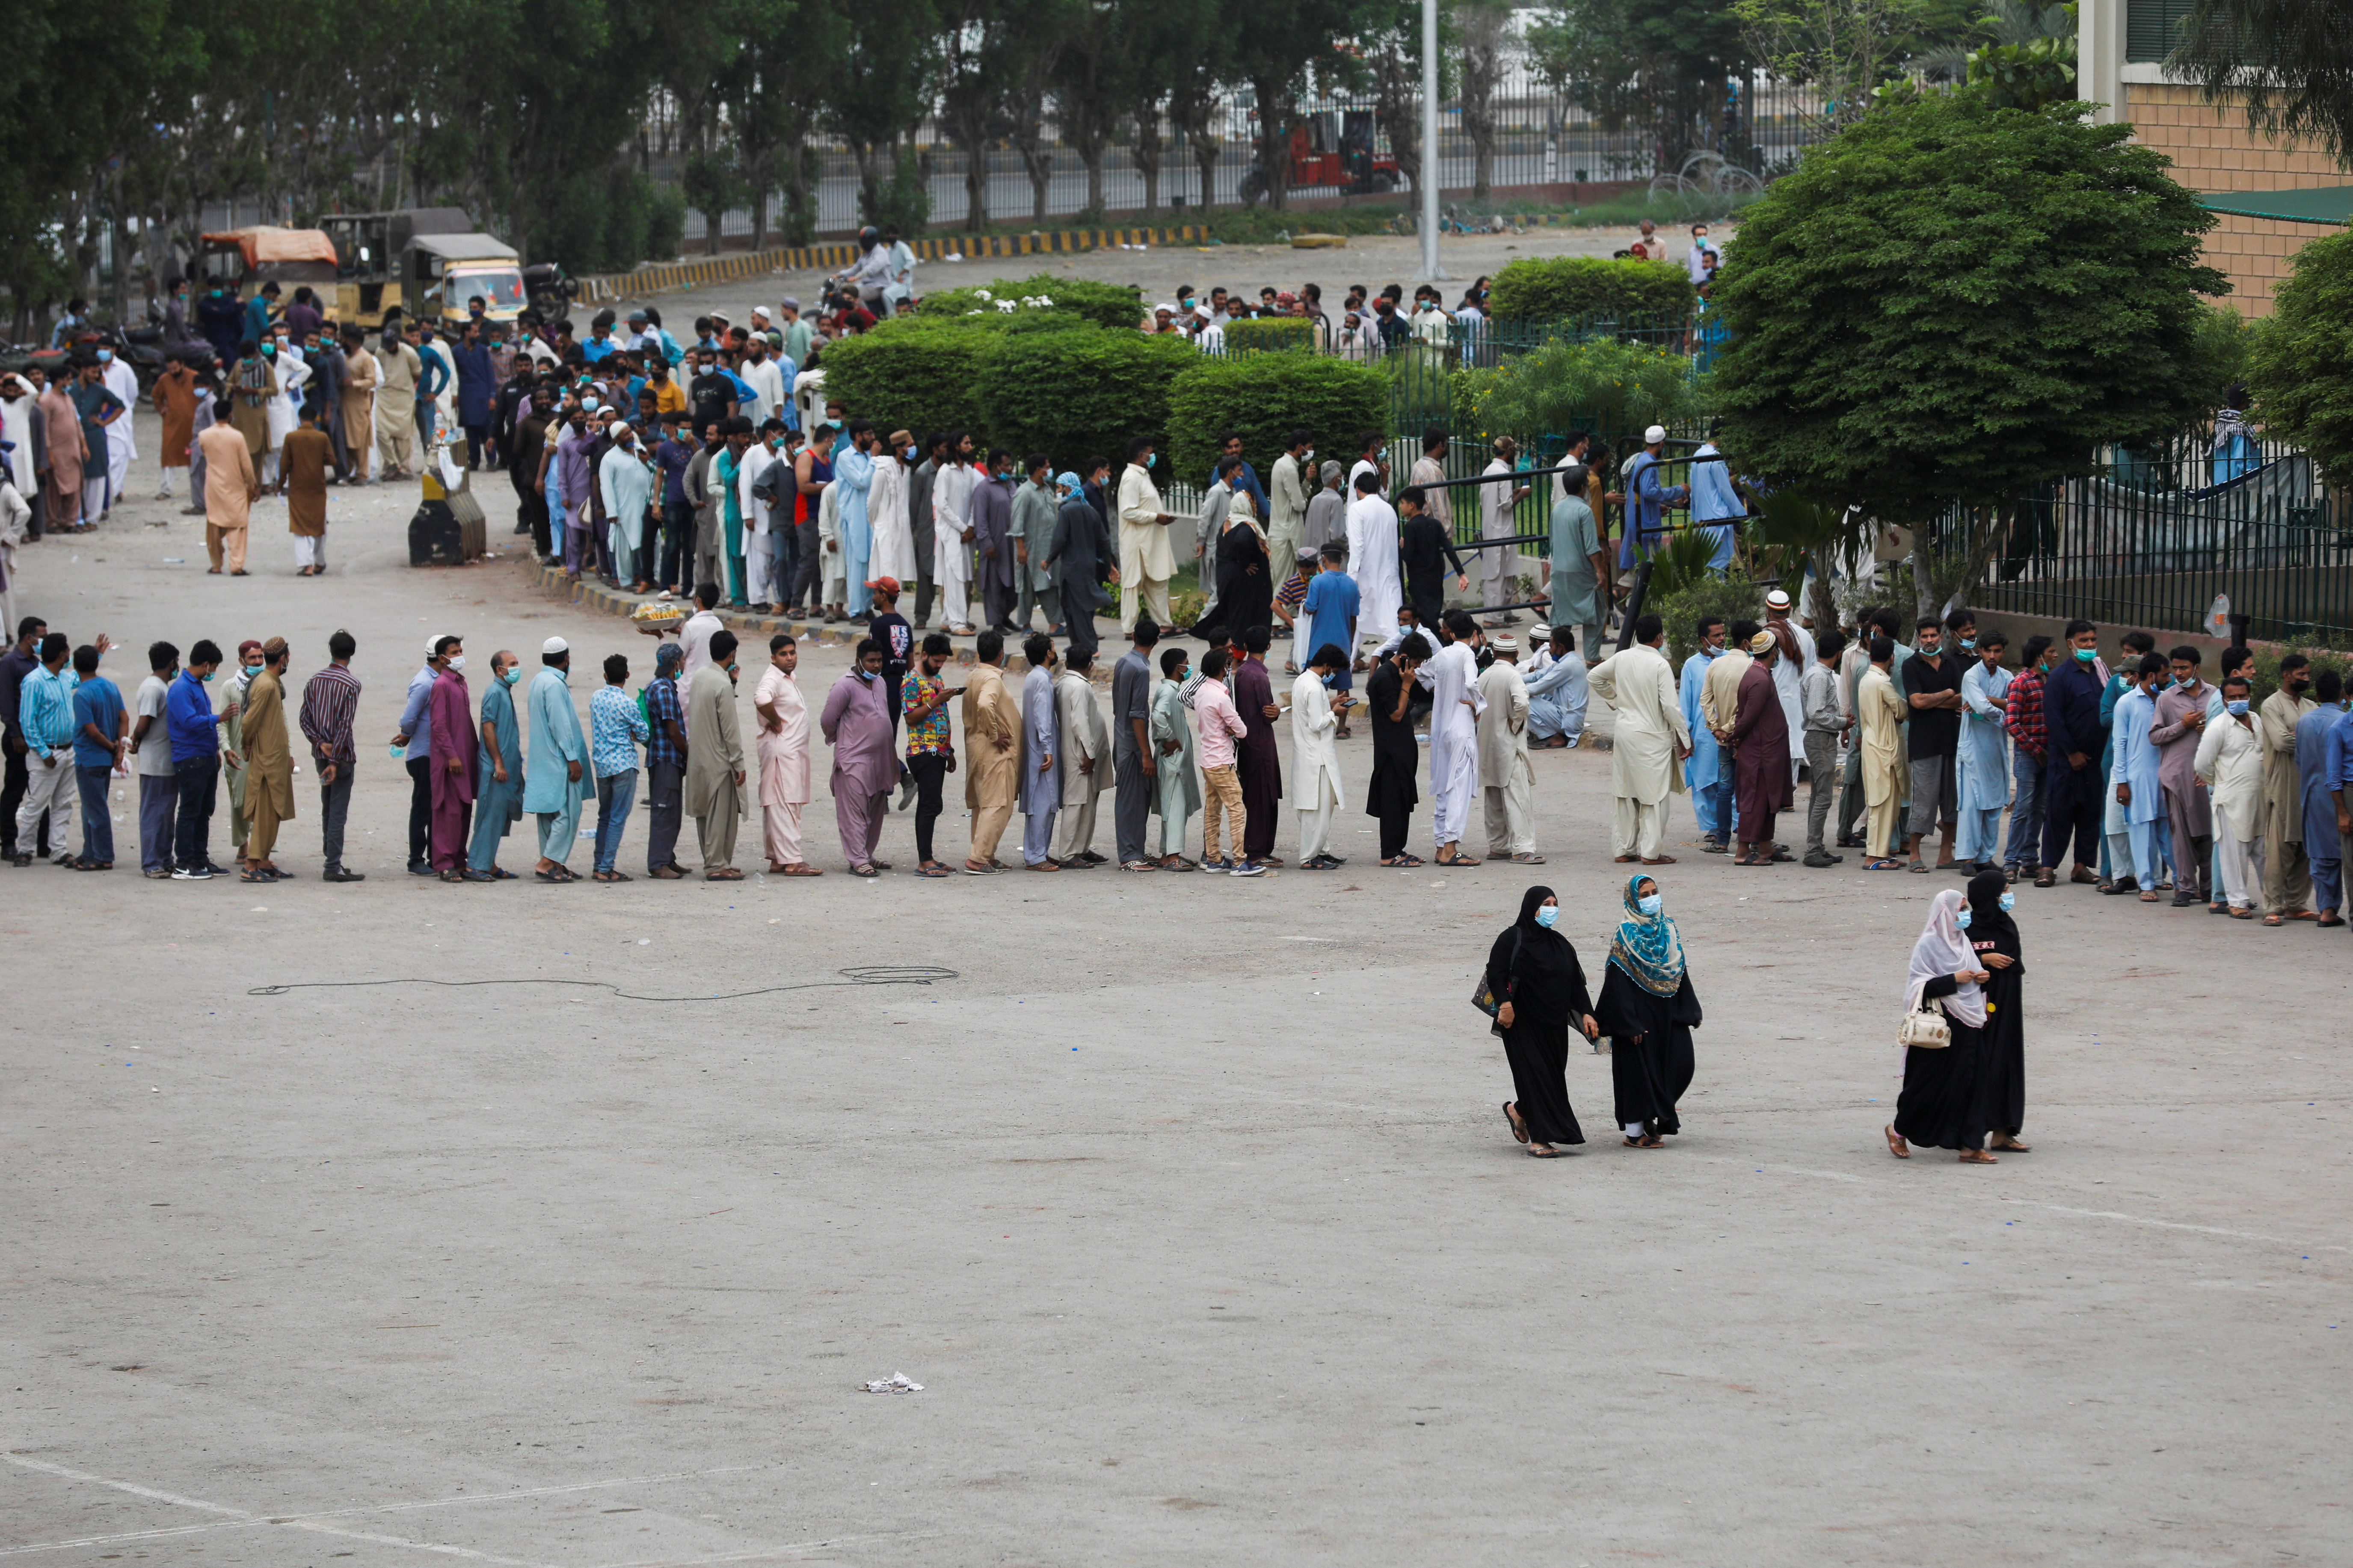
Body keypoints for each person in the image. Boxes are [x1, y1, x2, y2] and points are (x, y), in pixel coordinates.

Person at [1884, 886, 1998, 1163]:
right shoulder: (1929, 944)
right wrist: (1954, 979)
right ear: (1945, 913)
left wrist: (1979, 980)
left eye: (1966, 909)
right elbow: (1916, 988)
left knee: (1973, 1083)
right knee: (1929, 1085)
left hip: (1969, 1024)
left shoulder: (1964, 943)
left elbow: (1971, 978)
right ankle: (1898, 1131)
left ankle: (1971, 1146)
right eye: (1960, 910)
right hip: (1940, 1026)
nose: (1965, 915)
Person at [1491, 886, 1598, 1158]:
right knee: (1534, 1076)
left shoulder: (1560, 944)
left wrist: (1587, 1012)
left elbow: (1576, 983)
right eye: (1546, 904)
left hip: (1553, 1024)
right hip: (1520, 1023)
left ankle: (1518, 1111)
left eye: (1555, 903)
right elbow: (1496, 973)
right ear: (1531, 908)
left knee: (1550, 1078)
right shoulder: (1511, 938)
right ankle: (1540, 1139)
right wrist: (1505, 1005)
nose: (1551, 909)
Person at [1594, 875, 1701, 1148]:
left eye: (1654, 892)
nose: (1652, 898)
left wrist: (1690, 1008)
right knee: (1637, 1074)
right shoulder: (1626, 934)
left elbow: (1679, 969)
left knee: (1681, 1066)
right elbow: (1617, 983)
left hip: (1669, 1010)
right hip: (1638, 1015)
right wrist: (1627, 1024)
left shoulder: (1669, 929)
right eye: (1644, 895)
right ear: (1632, 900)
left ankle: (1654, 1115)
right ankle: (1634, 1131)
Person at [1585, 614, 1691, 865]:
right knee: (1654, 796)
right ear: (1659, 637)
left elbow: (1594, 677)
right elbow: (1670, 707)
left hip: (1625, 732)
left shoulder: (1623, 657)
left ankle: (1623, 849)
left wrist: (1617, 700)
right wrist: (1685, 738)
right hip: (1652, 737)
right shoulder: (1660, 665)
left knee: (1625, 792)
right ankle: (1651, 853)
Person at [2037, 620, 2107, 888]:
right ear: (2070, 644)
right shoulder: (2060, 677)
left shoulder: (2100, 672)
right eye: (2084, 641)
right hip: (2066, 761)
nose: (2090, 645)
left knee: (2090, 813)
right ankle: (2048, 867)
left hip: (2095, 759)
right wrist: (2072, 752)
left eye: (2092, 640)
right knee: (2058, 812)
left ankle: (2082, 867)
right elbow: (2055, 720)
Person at [821, 638, 897, 876]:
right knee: (854, 813)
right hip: (853, 759)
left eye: (879, 661)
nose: (876, 666)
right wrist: (846, 739)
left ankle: (867, 855)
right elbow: (827, 720)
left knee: (874, 812)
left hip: (880, 760)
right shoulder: (844, 686)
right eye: (871, 661)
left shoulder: (881, 682)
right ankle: (857, 859)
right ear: (859, 661)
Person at [2149, 646, 2216, 908]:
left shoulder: (2215, 695)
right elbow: (2154, 736)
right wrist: (2183, 726)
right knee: (2182, 836)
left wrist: (2208, 727)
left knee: (2209, 834)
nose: (2179, 673)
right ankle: (2186, 887)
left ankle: (2212, 889)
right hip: (2177, 777)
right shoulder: (2166, 699)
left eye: (2184, 668)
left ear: (2196, 668)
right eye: (2175, 668)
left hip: (2210, 777)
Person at [1417, 611, 1485, 866]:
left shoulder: (1443, 654)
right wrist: (1477, 704)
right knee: (1459, 787)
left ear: (1452, 633)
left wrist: (1439, 690)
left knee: (1444, 785)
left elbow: (1422, 672)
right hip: (1461, 728)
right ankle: (1449, 848)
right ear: (1473, 634)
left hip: (1441, 728)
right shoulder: (1466, 654)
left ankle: (1440, 845)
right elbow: (1471, 682)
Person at [2196, 672, 2266, 918]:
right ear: (2224, 700)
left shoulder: (2257, 720)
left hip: (2260, 800)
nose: (2238, 700)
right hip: (2231, 800)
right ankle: (2237, 902)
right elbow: (2202, 764)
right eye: (2232, 697)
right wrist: (2222, 783)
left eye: (2242, 696)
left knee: (2264, 853)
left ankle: (2274, 902)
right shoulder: (2219, 727)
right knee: (2233, 854)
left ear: (2249, 696)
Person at [167, 639, 237, 879]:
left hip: (205, 757)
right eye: (215, 667)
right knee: (189, 811)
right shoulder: (181, 689)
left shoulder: (195, 685)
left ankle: (200, 858)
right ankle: (184, 862)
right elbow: (188, 722)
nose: (214, 672)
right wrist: (219, 718)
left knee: (204, 811)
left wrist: (215, 750)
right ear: (206, 664)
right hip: (190, 758)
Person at [524, 636, 591, 883]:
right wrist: (572, 759)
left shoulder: (538, 681)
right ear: (566, 659)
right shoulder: (554, 685)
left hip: (542, 759)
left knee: (549, 814)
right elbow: (560, 725)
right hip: (558, 759)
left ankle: (556, 864)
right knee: (568, 812)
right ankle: (546, 863)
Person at [1899, 616, 1962, 872]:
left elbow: (1961, 699)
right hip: (1924, 746)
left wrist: (1935, 699)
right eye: (1924, 637)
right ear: (1918, 638)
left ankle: (1945, 855)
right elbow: (1917, 703)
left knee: (1951, 802)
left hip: (1952, 742)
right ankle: (1915, 855)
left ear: (1941, 636)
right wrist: (1946, 694)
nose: (1929, 641)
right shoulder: (1911, 666)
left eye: (1933, 636)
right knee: (1923, 803)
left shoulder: (1951, 663)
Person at [752, 634, 818, 876]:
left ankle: (778, 859)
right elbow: (761, 699)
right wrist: (776, 721)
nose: (789, 658)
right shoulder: (773, 678)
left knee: (778, 803)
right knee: (786, 804)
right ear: (773, 658)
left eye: (792, 653)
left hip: (790, 751)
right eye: (783, 654)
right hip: (783, 750)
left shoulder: (787, 678)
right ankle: (793, 861)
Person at [2259, 653, 2317, 924]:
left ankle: (2296, 903)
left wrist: (2299, 737)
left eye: (2307, 674)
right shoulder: (2271, 705)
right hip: (2282, 784)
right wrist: (2308, 739)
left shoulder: (2311, 706)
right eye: (2301, 674)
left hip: (2309, 784)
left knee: (2306, 845)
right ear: (2287, 675)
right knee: (2280, 847)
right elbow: (2282, 743)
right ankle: (2273, 906)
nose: (2306, 679)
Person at [1726, 628, 1793, 865]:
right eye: (1777, 649)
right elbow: (1748, 718)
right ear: (1773, 651)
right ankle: (1743, 852)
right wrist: (1734, 737)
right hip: (1760, 752)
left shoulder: (1759, 674)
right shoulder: (1759, 679)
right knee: (1754, 801)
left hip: (1767, 750)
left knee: (1767, 800)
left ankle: (1764, 847)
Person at [2110, 653, 2168, 903]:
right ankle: (2146, 883)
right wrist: (2122, 782)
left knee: (2166, 832)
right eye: (2166, 675)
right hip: (2137, 776)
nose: (2171, 679)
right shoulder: (2127, 703)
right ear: (2152, 676)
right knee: (2141, 831)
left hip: (2165, 776)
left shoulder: (2167, 700)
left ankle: (2172, 880)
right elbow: (2119, 744)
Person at [961, 628, 1020, 873]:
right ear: (1001, 653)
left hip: (977, 746)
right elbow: (986, 704)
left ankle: (987, 854)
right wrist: (995, 735)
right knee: (998, 804)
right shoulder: (992, 679)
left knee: (984, 804)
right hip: (993, 750)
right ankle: (979, 858)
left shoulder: (975, 675)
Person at [1193, 647, 1256, 874]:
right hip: (1221, 759)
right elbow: (1242, 730)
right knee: (1237, 809)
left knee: (1213, 810)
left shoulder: (1201, 692)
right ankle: (1240, 861)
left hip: (1207, 759)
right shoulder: (1221, 696)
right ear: (1223, 669)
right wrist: (1232, 729)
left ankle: (1214, 858)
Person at [1476, 636, 1539, 864]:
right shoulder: (1513, 675)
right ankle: (1522, 849)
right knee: (1517, 798)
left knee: (1493, 798)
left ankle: (1498, 846)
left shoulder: (1484, 676)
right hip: (1508, 746)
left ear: (1494, 652)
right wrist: (1515, 724)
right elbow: (1522, 703)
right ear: (1515, 653)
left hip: (1486, 744)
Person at [1366, 632, 1427, 866]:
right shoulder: (1384, 678)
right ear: (1404, 657)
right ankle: (1389, 853)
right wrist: (1407, 685)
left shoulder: (1401, 674)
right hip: (1390, 749)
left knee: (1403, 799)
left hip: (1403, 746)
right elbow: (1396, 714)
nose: (1416, 668)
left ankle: (1399, 849)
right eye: (1415, 663)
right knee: (1392, 800)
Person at [1955, 629, 2013, 876]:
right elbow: (1982, 707)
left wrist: (1990, 704)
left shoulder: (2008, 676)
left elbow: (2014, 703)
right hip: (1973, 749)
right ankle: (1967, 858)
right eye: (1988, 651)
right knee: (1971, 804)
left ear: (2003, 653)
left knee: (1993, 806)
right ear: (1980, 652)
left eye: (1997, 651)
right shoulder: (1971, 676)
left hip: (1996, 749)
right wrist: (2002, 712)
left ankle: (1985, 858)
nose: (1992, 656)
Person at [588, 652, 649, 882]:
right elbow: (643, 732)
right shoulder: (628, 703)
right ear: (627, 675)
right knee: (617, 818)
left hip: (603, 765)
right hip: (623, 763)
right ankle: (606, 868)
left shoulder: (596, 698)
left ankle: (598, 865)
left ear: (605, 675)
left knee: (604, 816)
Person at [1045, 470, 1117, 663]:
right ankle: (1078, 645)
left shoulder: (1067, 510)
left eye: (1060, 488)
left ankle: (1091, 648)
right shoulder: (1090, 510)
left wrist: (1049, 560)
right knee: (1071, 606)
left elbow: (1059, 539)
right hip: (1088, 566)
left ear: (1068, 488)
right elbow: (1104, 540)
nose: (1058, 491)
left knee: (1078, 608)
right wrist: (1110, 564)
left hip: (1072, 568)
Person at [466, 649, 525, 882]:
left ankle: (488, 863)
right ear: (500, 670)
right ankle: (475, 865)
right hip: (496, 769)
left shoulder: (504, 692)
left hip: (507, 767)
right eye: (512, 664)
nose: (516, 667)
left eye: (517, 663)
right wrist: (498, 763)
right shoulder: (494, 692)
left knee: (500, 816)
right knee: (489, 816)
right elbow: (488, 728)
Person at [1291, 642, 1349, 869]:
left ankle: (1321, 851)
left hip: (1309, 754)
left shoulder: (1304, 681)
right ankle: (1309, 857)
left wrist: (1331, 703)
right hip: (1317, 757)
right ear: (1326, 666)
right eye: (1333, 670)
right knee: (1317, 809)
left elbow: (1310, 713)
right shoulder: (1315, 688)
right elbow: (1317, 724)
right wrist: (1334, 713)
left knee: (1321, 807)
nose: (1333, 675)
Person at [2295, 670, 2346, 924]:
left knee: (2321, 855)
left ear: (2316, 694)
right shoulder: (2344, 722)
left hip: (2313, 795)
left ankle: (2327, 910)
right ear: (2342, 694)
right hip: (2342, 798)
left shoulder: (2303, 722)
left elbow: (2300, 762)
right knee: (2345, 853)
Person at [2000, 635, 2052, 883]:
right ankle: (2011, 861)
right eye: (2051, 652)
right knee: (2023, 806)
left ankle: (2030, 858)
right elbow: (2011, 722)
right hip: (2029, 754)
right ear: (2038, 656)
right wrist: (2035, 749)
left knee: (2039, 808)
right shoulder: (2021, 683)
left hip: (2046, 753)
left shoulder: (2049, 681)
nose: (2055, 656)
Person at [66, 643, 122, 870]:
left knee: (95, 808)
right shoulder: (109, 686)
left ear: (75, 666)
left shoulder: (82, 694)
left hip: (90, 757)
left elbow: (92, 731)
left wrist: (111, 746)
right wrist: (118, 748)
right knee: (90, 806)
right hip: (104, 760)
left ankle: (103, 856)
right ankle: (90, 851)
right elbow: (124, 718)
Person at [1232, 625, 1284, 867]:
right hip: (1261, 743)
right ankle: (1256, 850)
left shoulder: (1242, 672)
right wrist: (1276, 714)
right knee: (1263, 797)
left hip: (1248, 743)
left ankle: (1259, 847)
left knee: (1255, 796)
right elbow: (1268, 713)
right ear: (1269, 646)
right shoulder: (1259, 677)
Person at [1053, 647, 1111, 867]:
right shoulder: (1079, 686)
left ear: (1067, 664)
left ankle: (1082, 848)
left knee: (1088, 801)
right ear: (1091, 665)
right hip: (1079, 752)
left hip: (1076, 750)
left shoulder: (1065, 683)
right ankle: (1068, 854)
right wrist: (1089, 753)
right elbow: (1079, 723)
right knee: (1076, 802)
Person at [1111, 618, 1160, 870]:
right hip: (1132, 745)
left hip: (1121, 739)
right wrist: (1145, 754)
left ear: (1133, 637)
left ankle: (1136, 851)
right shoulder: (1141, 669)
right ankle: (1130, 856)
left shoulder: (1124, 661)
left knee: (1135, 799)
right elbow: (1138, 714)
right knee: (1132, 801)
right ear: (1157, 641)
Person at [427, 637, 477, 882]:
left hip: (465, 757)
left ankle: (459, 859)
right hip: (450, 760)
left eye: (460, 651)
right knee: (449, 811)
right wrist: (451, 756)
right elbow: (438, 725)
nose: (459, 655)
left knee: (464, 809)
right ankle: (444, 862)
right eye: (454, 652)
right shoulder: (441, 685)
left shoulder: (460, 683)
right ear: (442, 658)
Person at [1798, 627, 1849, 867]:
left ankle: (1816, 845)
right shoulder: (1820, 676)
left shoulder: (1819, 674)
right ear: (1839, 653)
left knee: (1819, 795)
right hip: (1820, 738)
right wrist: (1842, 722)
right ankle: (1812, 850)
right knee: (1824, 797)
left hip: (1821, 737)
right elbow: (1816, 712)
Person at [130, 639, 180, 877]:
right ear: (171, 663)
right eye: (176, 662)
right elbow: (144, 722)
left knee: (166, 814)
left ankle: (165, 858)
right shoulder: (153, 688)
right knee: (154, 814)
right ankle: (152, 862)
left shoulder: (162, 687)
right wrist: (135, 738)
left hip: (166, 763)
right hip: (155, 764)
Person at [1149, 644, 1202, 869]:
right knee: (1175, 809)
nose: (1189, 667)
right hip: (1173, 761)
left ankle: (1167, 854)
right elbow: (1158, 716)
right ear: (1179, 668)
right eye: (1186, 663)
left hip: (1175, 761)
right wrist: (1169, 738)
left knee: (1173, 809)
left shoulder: (1173, 691)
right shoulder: (1169, 692)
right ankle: (1173, 857)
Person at [641, 642, 689, 877]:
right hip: (666, 758)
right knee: (664, 810)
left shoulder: (663, 686)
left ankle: (668, 859)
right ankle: (658, 864)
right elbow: (673, 731)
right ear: (675, 664)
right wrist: (688, 753)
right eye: (682, 660)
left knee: (672, 811)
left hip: (666, 759)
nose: (684, 664)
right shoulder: (663, 690)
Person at [196, 398, 258, 574]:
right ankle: (236, 565)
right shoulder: (237, 437)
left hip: (214, 486)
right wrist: (253, 486)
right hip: (235, 485)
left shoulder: (204, 435)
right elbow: (246, 466)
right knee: (238, 525)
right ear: (230, 415)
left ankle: (216, 565)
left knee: (214, 525)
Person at [1344, 472, 1402, 657]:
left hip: (1366, 575)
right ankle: (1403, 663)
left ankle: (1348, 663)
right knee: (1393, 623)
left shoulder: (1357, 509)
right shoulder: (1389, 509)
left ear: (1358, 490)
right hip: (1389, 574)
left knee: (1355, 624)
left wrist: (1351, 577)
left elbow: (1357, 546)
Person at [1017, 633, 1063, 870]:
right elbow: (1042, 717)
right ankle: (1036, 856)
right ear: (1048, 653)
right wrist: (1048, 749)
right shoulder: (1042, 681)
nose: (1055, 653)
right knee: (1043, 805)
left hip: (1037, 748)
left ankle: (1040, 853)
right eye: (1053, 648)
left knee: (1043, 804)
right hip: (1041, 750)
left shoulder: (1035, 677)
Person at [1397, 485, 1468, 631]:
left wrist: (1403, 546)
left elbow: (1408, 558)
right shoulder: (1435, 523)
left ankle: (1438, 644)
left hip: (1418, 581)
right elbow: (1449, 549)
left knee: (1426, 620)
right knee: (1432, 615)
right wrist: (1461, 573)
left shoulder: (1411, 527)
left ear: (1411, 505)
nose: (1400, 507)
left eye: (1402, 503)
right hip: (1435, 578)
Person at [283, 399, 335, 575]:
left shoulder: (291, 437)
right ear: (316, 419)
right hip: (317, 486)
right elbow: (332, 460)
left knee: (299, 524)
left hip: (297, 486)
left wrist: (279, 484)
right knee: (318, 523)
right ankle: (319, 561)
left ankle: (306, 565)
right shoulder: (322, 437)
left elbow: (284, 464)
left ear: (299, 418)